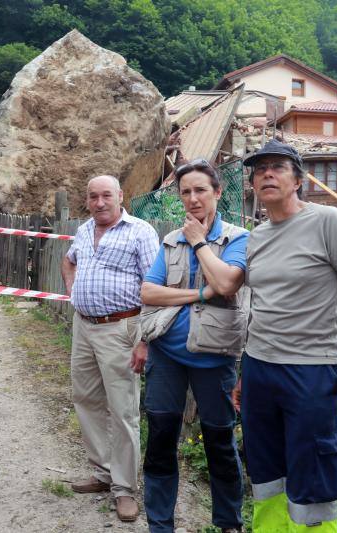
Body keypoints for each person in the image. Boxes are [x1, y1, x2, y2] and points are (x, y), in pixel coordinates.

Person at [239, 139, 337, 532]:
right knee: (266, 474)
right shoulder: (257, 236)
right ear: (252, 185)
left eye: (278, 167)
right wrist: (243, 373)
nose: (267, 173)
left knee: (313, 474)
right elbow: (261, 307)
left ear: (297, 180)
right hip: (259, 370)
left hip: (310, 371)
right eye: (260, 168)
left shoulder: (327, 221)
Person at [140, 160, 247, 533]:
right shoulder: (170, 240)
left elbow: (227, 284)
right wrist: (200, 292)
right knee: (160, 440)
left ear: (218, 192)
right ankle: (159, 524)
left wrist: (200, 241)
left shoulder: (237, 239)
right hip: (167, 355)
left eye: (200, 190)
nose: (192, 198)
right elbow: (148, 291)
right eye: (185, 191)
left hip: (215, 357)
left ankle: (229, 523)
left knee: (219, 442)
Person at [61, 175, 160, 522]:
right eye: (93, 197)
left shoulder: (140, 231)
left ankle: (125, 489)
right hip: (84, 327)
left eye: (106, 195)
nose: (99, 202)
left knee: (122, 410)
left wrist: (144, 339)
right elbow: (69, 259)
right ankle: (103, 473)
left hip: (121, 328)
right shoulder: (85, 229)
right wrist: (73, 290)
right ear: (86, 200)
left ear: (120, 196)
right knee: (85, 398)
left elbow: (155, 286)